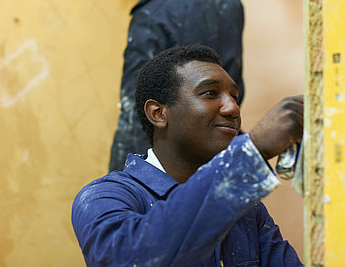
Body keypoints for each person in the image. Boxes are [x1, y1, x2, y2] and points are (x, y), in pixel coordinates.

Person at [72, 45, 303, 266]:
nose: (232, 108)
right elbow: (128, 258)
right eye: (210, 93)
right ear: (158, 113)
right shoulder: (104, 197)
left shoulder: (248, 210)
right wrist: (254, 150)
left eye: (234, 96)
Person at [90, 0, 245, 171]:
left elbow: (135, 110)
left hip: (169, 170)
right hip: (217, 157)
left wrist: (122, 183)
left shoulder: (153, 13)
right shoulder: (228, 2)